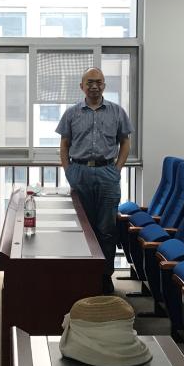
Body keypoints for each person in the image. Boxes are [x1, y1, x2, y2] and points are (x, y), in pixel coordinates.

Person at [57, 68, 134, 295]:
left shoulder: (117, 112)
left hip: (107, 174)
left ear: (104, 86)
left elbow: (125, 142)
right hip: (79, 173)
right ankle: (83, 276)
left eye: (99, 82)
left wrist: (117, 169)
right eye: (89, 82)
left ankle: (104, 276)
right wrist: (69, 171)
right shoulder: (71, 113)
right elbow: (64, 145)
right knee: (83, 227)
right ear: (82, 86)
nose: (94, 86)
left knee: (107, 229)